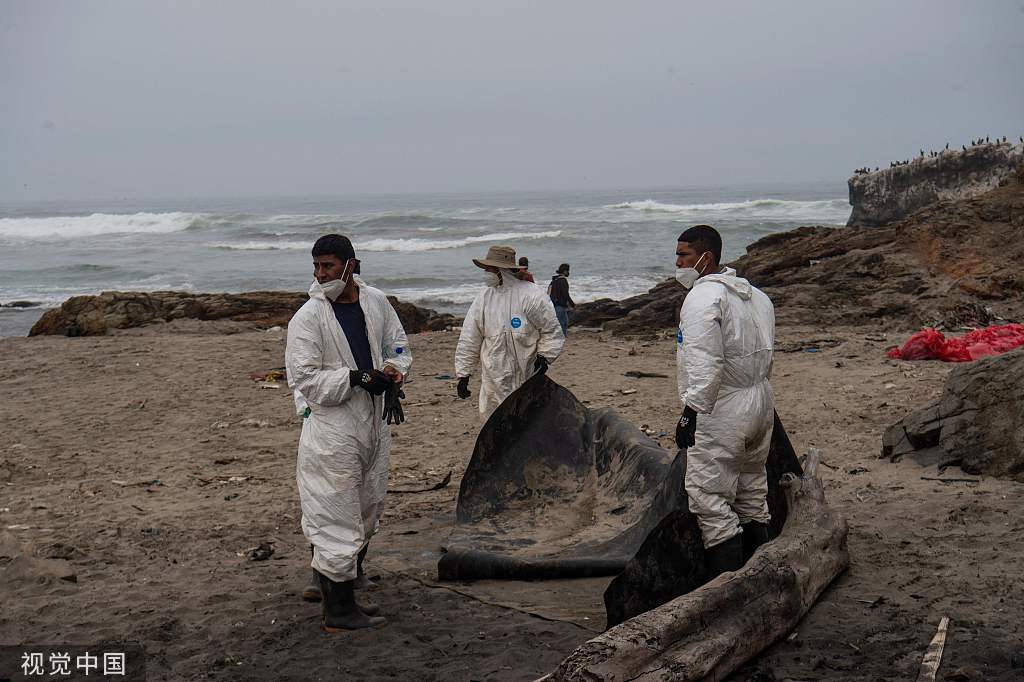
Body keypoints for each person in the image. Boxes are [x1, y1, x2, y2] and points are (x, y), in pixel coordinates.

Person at [285, 234, 412, 632]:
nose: (321, 274)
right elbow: (306, 379)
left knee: (368, 505)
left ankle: (344, 591)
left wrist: (393, 371)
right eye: (316, 266)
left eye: (328, 266)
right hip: (333, 428)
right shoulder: (308, 317)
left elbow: (398, 345)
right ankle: (338, 612)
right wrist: (355, 378)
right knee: (334, 511)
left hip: (372, 423)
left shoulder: (375, 302)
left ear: (350, 265)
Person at [672, 224, 776, 579]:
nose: (677, 261)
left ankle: (726, 588)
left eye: (683, 255)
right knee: (751, 490)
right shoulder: (756, 297)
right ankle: (761, 575)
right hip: (760, 401)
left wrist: (691, 412)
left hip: (723, 406)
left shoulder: (703, 299)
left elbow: (705, 360)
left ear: (706, 257)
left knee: (710, 498)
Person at [455, 245, 564, 417]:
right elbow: (470, 337)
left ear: (502, 270)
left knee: (527, 421)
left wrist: (545, 357)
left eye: (490, 269)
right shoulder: (483, 299)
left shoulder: (531, 296)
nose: (486, 273)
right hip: (493, 378)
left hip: (526, 374)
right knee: (495, 422)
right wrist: (464, 374)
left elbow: (551, 330)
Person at [548, 263, 574, 336]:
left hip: (554, 304)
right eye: (568, 271)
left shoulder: (554, 280)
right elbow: (566, 294)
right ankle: (562, 337)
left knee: (564, 322)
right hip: (560, 305)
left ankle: (562, 337)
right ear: (565, 271)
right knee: (562, 323)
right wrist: (572, 304)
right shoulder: (563, 280)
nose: (568, 272)